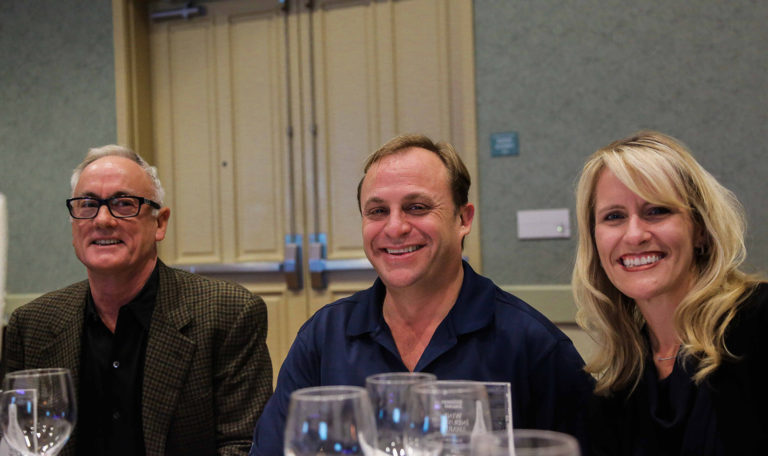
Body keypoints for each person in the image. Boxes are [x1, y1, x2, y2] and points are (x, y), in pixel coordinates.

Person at [249, 134, 593, 455]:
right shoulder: (324, 338)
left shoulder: (532, 345)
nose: (395, 227)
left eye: (417, 207)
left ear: (463, 218)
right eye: (378, 211)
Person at [2, 145, 273, 456]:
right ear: (74, 224)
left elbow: (244, 447)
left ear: (159, 223)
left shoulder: (228, 314)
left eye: (124, 204)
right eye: (88, 204)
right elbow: (16, 445)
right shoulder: (32, 324)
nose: (103, 219)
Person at [572, 131, 768, 455]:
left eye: (657, 211)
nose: (634, 235)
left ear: (701, 230)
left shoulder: (758, 322)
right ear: (595, 241)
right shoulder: (623, 379)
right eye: (614, 216)